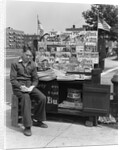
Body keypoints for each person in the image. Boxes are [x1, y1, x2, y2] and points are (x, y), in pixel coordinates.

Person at [10, 47, 48, 136]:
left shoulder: (33, 64)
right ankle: (27, 126)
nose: (28, 57)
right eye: (27, 55)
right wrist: (20, 86)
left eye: (30, 56)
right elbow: (13, 79)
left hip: (29, 86)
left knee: (42, 98)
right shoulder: (15, 63)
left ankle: (38, 120)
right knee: (26, 98)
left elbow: (35, 79)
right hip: (18, 87)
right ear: (22, 54)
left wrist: (32, 87)